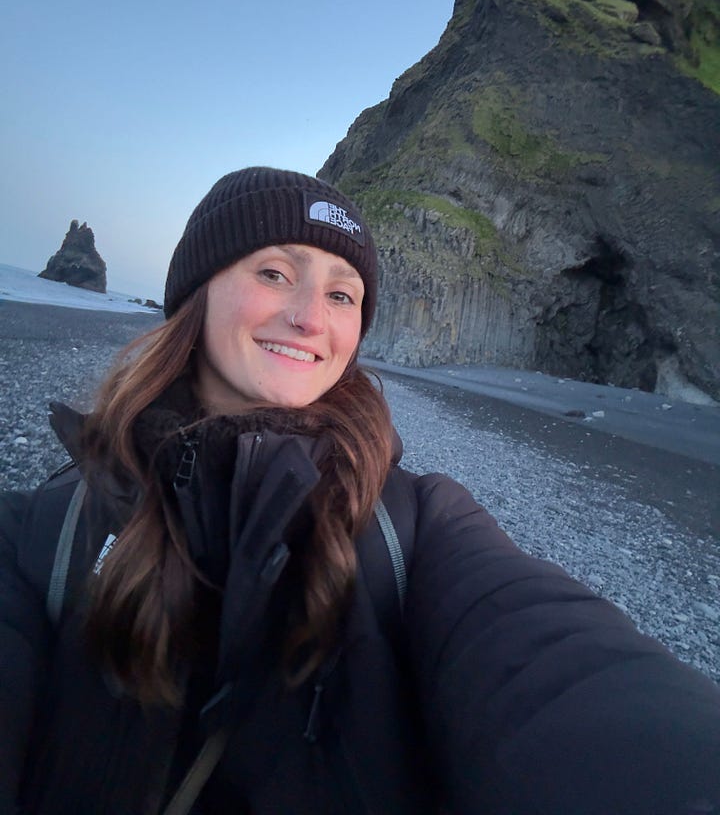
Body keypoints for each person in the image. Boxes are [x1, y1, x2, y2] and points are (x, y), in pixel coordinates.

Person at [1, 166, 719, 815]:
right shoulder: (44, 534)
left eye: (342, 294)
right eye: (275, 273)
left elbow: (558, 664)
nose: (311, 317)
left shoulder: (420, 528)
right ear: (197, 291)